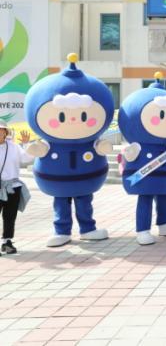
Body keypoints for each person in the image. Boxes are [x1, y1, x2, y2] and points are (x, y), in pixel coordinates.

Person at [24, 53, 114, 248]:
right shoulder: (51, 142)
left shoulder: (91, 140)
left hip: (86, 175)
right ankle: (61, 231)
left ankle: (87, 229)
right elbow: (38, 149)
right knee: (61, 203)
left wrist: (103, 146)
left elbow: (101, 146)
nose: (73, 120)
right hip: (58, 178)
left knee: (84, 201)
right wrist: (37, 148)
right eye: (63, 117)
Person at [119, 73, 166, 245]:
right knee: (145, 199)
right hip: (144, 176)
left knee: (164, 197)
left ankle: (165, 224)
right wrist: (129, 153)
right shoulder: (139, 144)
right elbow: (129, 155)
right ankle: (142, 230)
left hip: (165, 174)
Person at [0, 126, 33, 255]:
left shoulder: (13, 147)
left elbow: (26, 159)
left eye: (1, 130)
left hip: (13, 187)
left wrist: (26, 144)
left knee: (10, 215)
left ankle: (7, 242)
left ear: (5, 132)